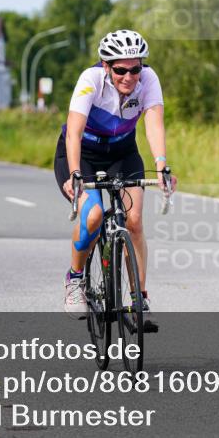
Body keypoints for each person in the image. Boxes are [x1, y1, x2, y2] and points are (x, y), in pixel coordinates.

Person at [53, 29, 176, 321]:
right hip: (82, 153)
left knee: (133, 220)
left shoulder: (148, 79)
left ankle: (138, 297)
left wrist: (161, 166)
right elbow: (74, 132)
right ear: (106, 66)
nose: (129, 77)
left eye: (135, 69)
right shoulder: (90, 80)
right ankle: (75, 279)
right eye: (121, 69)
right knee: (93, 216)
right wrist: (74, 173)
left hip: (122, 152)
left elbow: (154, 123)